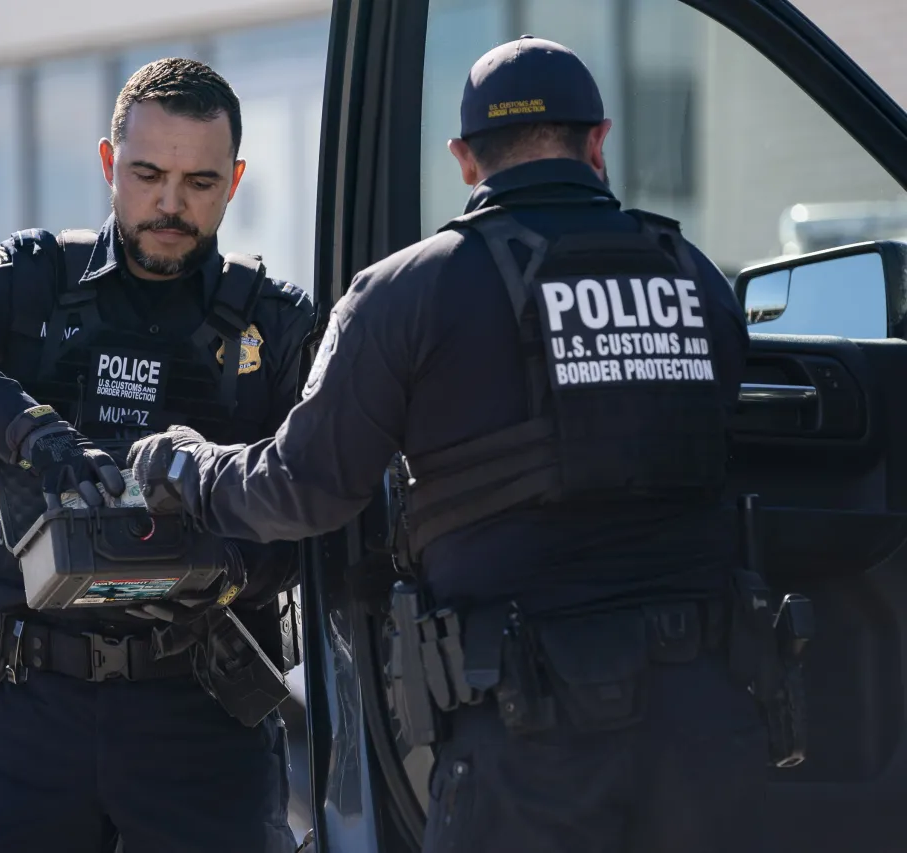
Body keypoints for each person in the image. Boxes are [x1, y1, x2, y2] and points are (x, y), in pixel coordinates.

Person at [130, 36, 771, 853]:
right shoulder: (696, 277)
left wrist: (187, 460)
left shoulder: (408, 292)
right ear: (599, 142)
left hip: (532, 736)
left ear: (466, 159)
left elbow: (304, 488)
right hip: (709, 716)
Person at [0, 57, 313, 853]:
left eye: (200, 182)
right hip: (36, 703)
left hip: (203, 707)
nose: (170, 203)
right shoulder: (37, 277)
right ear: (110, 164)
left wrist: (222, 555)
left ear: (236, 180)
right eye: (147, 173)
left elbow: (324, 493)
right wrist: (36, 434)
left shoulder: (275, 326)